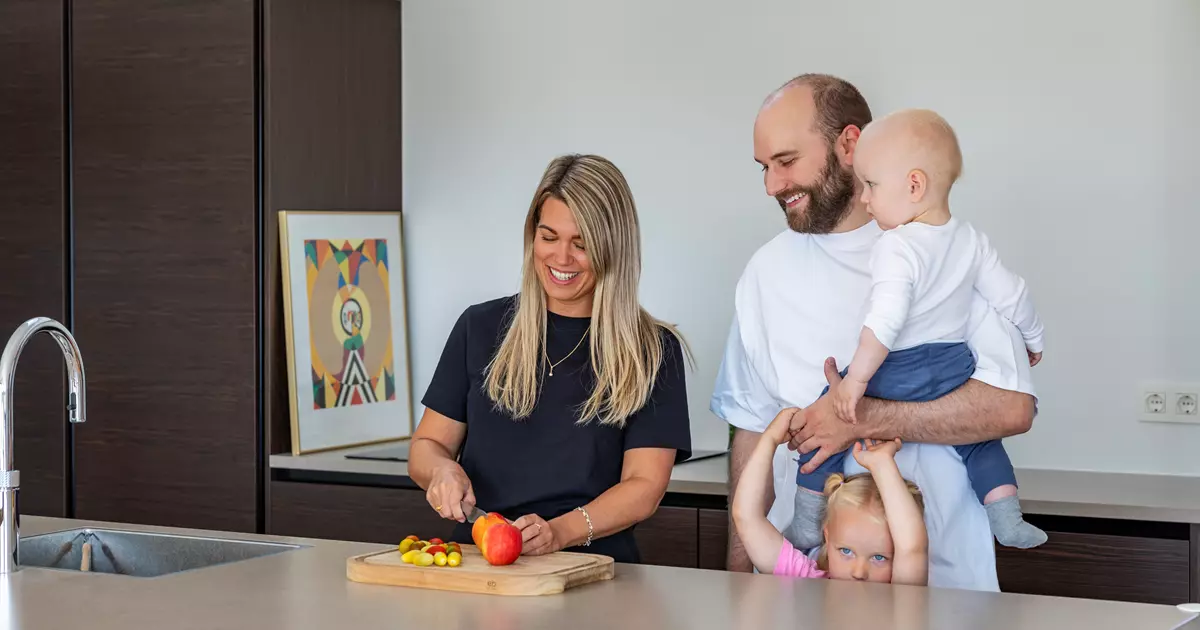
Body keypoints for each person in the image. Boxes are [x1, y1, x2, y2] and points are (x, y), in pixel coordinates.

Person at [712, 74, 1037, 591]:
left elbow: (1012, 408)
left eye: (787, 161)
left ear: (849, 143)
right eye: (764, 168)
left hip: (943, 586)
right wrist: (736, 578)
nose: (772, 185)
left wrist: (859, 419)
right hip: (800, 585)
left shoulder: (946, 254)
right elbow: (752, 428)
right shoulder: (763, 273)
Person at [408, 154, 692, 564]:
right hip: (477, 564)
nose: (561, 258)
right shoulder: (479, 327)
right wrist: (440, 471)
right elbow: (427, 445)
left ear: (614, 248)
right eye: (549, 237)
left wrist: (559, 532)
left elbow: (645, 486)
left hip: (594, 568)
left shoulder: (652, 350)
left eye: (582, 244)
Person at [789, 108, 1047, 551]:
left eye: (871, 186)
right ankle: (1007, 517)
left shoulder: (896, 246)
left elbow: (884, 324)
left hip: (900, 366)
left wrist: (854, 386)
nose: (865, 199)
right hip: (952, 364)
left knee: (825, 419)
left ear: (914, 186)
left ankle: (808, 523)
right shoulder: (971, 240)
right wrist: (1034, 339)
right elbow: (1014, 295)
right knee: (980, 442)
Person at [733, 407, 928, 585]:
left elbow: (912, 546)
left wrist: (883, 464)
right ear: (828, 538)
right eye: (846, 551)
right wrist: (769, 440)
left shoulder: (902, 596)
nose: (859, 573)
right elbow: (747, 517)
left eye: (879, 557)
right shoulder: (809, 582)